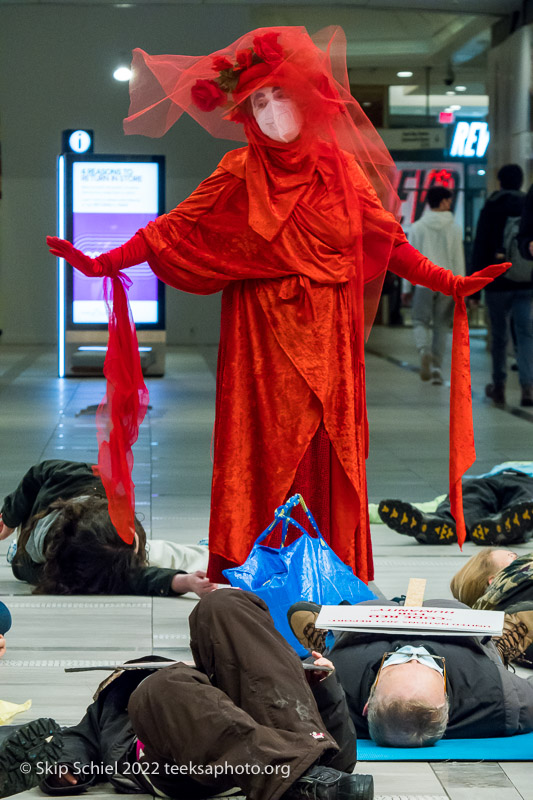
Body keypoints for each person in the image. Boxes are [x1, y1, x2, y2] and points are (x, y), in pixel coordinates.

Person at [47, 27, 507, 581]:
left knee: (327, 454)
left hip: (329, 342)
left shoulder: (341, 171)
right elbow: (173, 228)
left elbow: (390, 243)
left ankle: (330, 574)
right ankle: (258, 576)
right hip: (261, 345)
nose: (269, 112)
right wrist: (104, 261)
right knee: (261, 460)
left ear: (305, 96)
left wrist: (448, 282)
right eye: (257, 102)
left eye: (278, 95)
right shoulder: (238, 170)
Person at [3, 591, 374, 800]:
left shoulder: (227, 679)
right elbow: (74, 740)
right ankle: (296, 779)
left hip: (308, 753)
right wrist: (63, 768)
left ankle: (303, 776)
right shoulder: (119, 700)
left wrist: (323, 685)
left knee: (222, 604)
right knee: (159, 688)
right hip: (177, 765)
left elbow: (341, 752)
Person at [288, 597, 533, 748]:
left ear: (367, 705)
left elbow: (277, 699)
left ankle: (327, 642)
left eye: (395, 662)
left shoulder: (334, 696)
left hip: (364, 627)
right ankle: (499, 651)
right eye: (427, 662)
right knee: (480, 643)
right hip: (455, 622)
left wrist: (316, 676)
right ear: (448, 709)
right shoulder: (502, 701)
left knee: (350, 628)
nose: (411, 650)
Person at [0, 459, 216, 598]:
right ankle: (205, 553)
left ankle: (206, 553)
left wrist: (9, 517)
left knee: (145, 552)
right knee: (154, 555)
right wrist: (185, 582)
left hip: (64, 525)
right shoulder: (59, 573)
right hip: (33, 555)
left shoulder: (87, 479)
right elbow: (138, 579)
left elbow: (38, 472)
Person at [470, 164, 533, 407]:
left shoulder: (492, 207)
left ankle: (499, 386)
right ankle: (528, 388)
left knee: (499, 336)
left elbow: (480, 246)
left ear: (499, 181)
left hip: (497, 283)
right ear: (521, 181)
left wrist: (474, 288)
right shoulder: (528, 203)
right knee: (526, 334)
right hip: (526, 280)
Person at [401, 186, 465, 385]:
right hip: (446, 283)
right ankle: (437, 368)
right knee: (441, 326)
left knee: (420, 321)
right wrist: (461, 288)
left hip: (423, 283)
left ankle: (424, 351)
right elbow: (457, 259)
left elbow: (408, 261)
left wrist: (406, 288)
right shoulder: (454, 228)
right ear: (444, 202)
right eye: (449, 200)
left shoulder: (417, 227)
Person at [377, 469, 533, 545]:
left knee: (525, 504)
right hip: (488, 480)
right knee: (466, 498)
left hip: (526, 484)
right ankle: (440, 522)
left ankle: (506, 527)